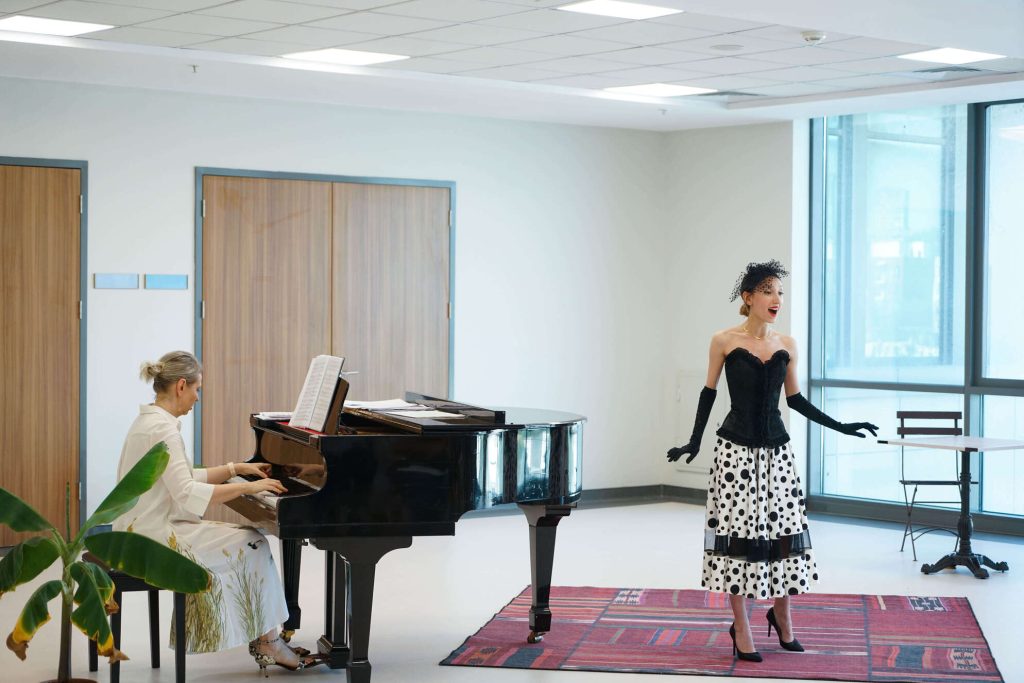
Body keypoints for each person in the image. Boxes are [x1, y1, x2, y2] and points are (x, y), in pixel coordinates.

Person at [667, 261, 877, 662]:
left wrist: (842, 426)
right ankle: (740, 626)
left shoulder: (788, 345)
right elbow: (709, 393)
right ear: (748, 298)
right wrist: (693, 442)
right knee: (736, 534)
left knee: (784, 532)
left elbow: (795, 400)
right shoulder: (723, 340)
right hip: (734, 453)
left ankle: (782, 615)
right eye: (767, 291)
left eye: (780, 291)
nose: (776, 298)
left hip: (778, 455)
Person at [113, 350, 320, 673]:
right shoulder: (163, 430)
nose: (197, 398)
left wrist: (235, 469)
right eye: (197, 389)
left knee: (249, 537)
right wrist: (248, 488)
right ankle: (269, 642)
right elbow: (186, 491)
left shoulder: (149, 421)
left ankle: (267, 638)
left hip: (138, 529)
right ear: (181, 386)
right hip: (153, 537)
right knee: (254, 542)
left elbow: (181, 477)